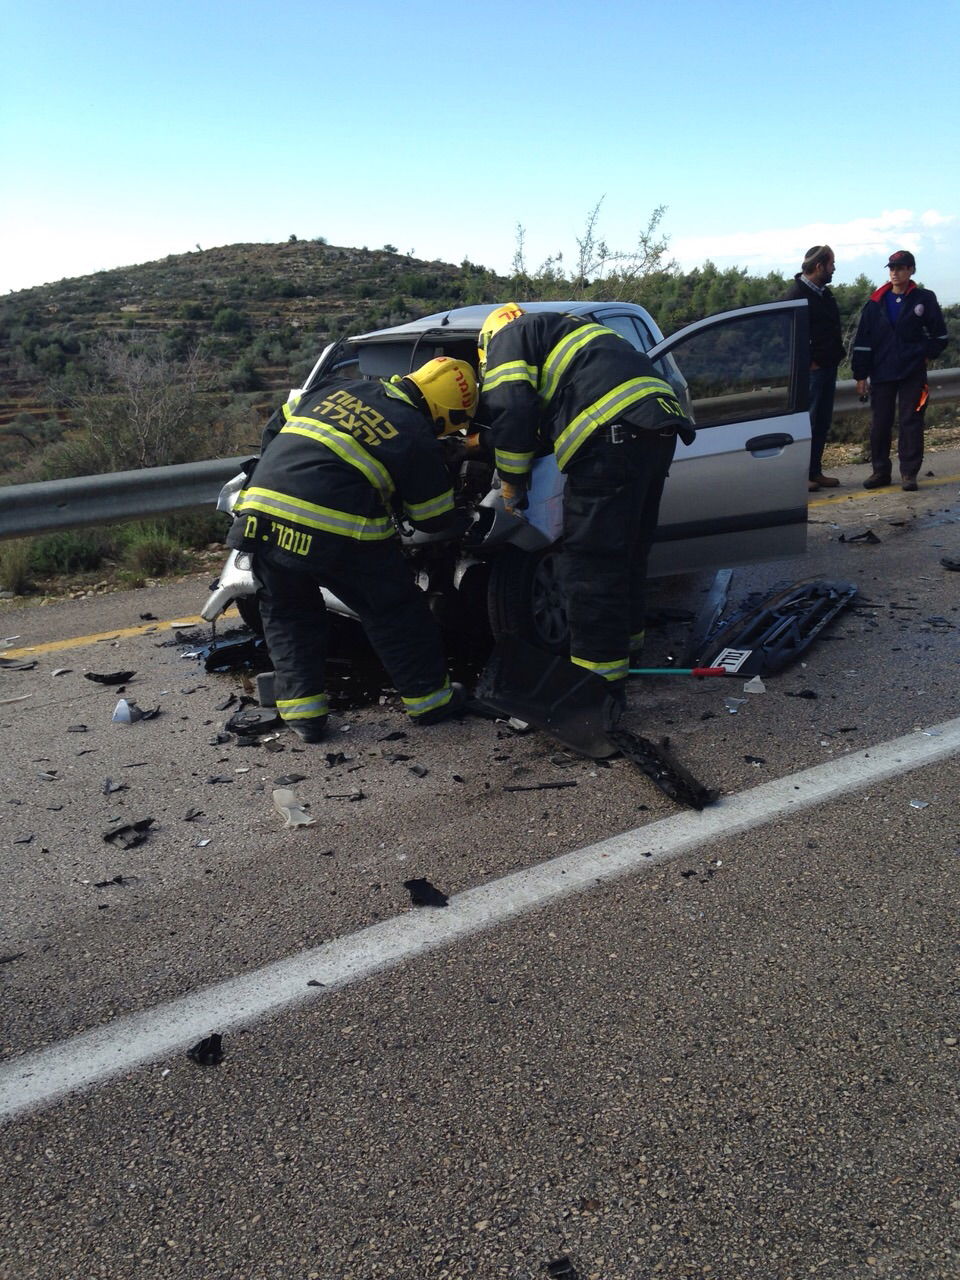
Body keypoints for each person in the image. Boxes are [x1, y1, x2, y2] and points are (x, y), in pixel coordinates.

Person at [227, 357, 478, 741]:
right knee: (394, 610)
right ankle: (430, 702)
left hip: (260, 512)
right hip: (336, 530)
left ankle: (305, 717)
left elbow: (278, 422)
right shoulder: (414, 432)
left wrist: (275, 470)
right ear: (445, 416)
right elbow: (432, 519)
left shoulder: (338, 387)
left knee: (288, 612)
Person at [477, 303, 695, 703]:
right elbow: (550, 403)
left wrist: (511, 483)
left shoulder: (507, 338)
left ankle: (595, 691)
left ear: (488, 342)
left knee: (590, 563)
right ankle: (627, 651)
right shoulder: (570, 330)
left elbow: (512, 409)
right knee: (626, 550)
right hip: (657, 425)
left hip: (613, 434)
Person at [851, 250, 949, 491]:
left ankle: (909, 473)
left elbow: (940, 336)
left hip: (912, 373)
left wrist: (923, 354)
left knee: (911, 422)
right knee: (880, 424)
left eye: (901, 267)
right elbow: (863, 342)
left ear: (911, 270)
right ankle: (880, 472)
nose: (895, 272)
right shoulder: (875, 303)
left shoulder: (924, 299)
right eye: (892, 268)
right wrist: (860, 375)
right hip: (882, 372)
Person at [781, 245, 846, 492]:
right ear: (819, 266)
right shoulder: (795, 295)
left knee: (821, 422)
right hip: (810, 372)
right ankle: (801, 475)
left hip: (827, 367)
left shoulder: (824, 294)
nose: (834, 269)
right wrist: (809, 361)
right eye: (831, 265)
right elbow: (786, 335)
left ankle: (815, 471)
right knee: (807, 422)